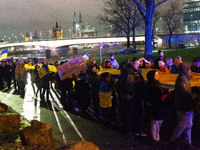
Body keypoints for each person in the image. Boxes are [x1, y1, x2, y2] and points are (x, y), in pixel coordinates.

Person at [169, 62, 197, 149]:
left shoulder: (184, 78)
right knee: (183, 125)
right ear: (185, 70)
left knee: (189, 125)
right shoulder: (182, 80)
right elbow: (186, 94)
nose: (190, 70)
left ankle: (188, 143)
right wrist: (195, 94)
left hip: (186, 106)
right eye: (188, 69)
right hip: (183, 106)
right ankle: (172, 141)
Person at [118, 57, 146, 137]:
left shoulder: (139, 71)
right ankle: (130, 131)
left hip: (138, 96)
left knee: (139, 114)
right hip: (131, 96)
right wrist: (126, 93)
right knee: (130, 114)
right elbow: (120, 85)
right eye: (136, 64)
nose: (138, 65)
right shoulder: (126, 72)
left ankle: (138, 130)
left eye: (138, 64)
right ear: (132, 63)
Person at [145, 70, 169, 145]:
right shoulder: (152, 86)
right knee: (155, 122)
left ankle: (157, 137)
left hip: (158, 106)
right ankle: (154, 138)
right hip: (156, 106)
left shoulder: (157, 84)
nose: (157, 76)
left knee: (159, 122)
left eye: (157, 75)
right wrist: (167, 95)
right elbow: (158, 98)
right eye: (155, 75)